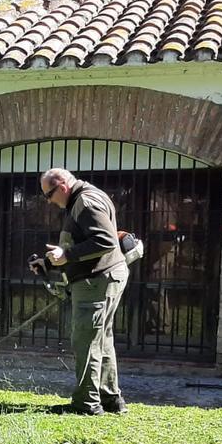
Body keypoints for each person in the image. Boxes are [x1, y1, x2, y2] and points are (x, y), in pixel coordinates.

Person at [39, 168, 130, 416]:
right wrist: (50, 261)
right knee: (102, 339)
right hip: (105, 277)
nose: (49, 202)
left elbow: (105, 241)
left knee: (86, 341)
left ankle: (86, 404)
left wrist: (66, 255)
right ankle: (110, 399)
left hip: (97, 281)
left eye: (49, 195)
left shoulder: (85, 202)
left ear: (62, 186)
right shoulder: (85, 198)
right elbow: (87, 240)